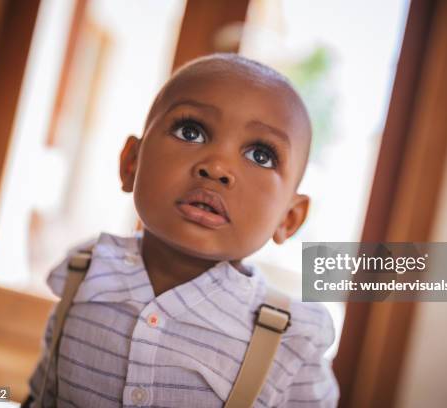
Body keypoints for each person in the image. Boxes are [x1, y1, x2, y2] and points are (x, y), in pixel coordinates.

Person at [24, 53, 340, 407]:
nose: (217, 167)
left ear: (289, 218)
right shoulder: (87, 273)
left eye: (260, 155)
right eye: (191, 132)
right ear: (131, 163)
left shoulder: (291, 340)